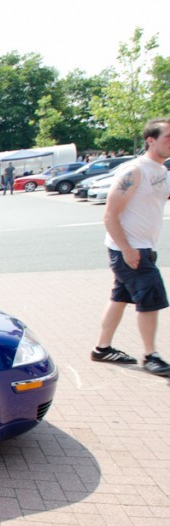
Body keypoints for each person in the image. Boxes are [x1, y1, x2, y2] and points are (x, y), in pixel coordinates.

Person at [91, 118, 170, 376]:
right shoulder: (135, 171)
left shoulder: (162, 171)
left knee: (119, 298)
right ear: (151, 140)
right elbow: (109, 215)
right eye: (168, 137)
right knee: (151, 300)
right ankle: (150, 356)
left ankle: (102, 349)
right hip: (131, 250)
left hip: (142, 248)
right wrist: (126, 249)